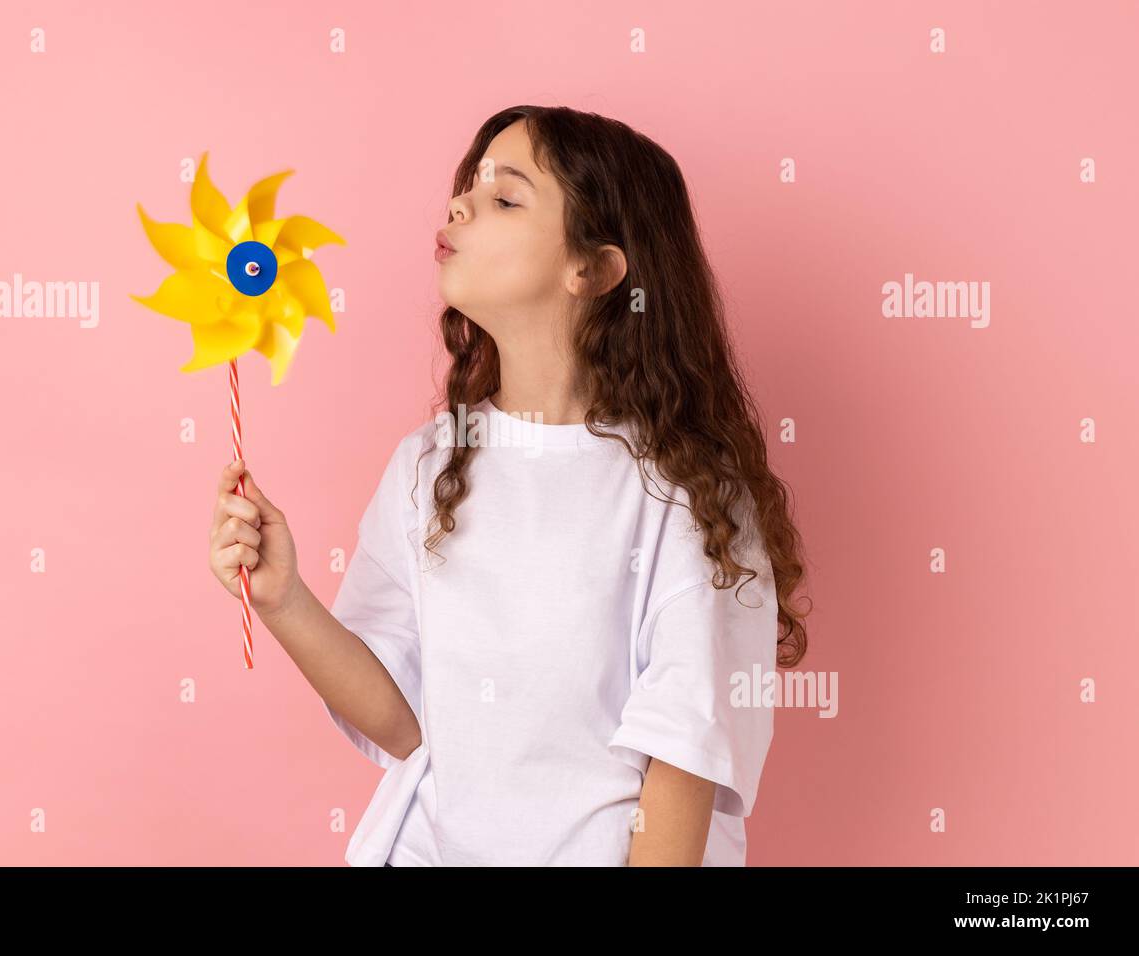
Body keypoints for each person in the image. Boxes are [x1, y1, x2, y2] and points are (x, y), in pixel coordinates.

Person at [208, 105, 811, 866]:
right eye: (469, 187)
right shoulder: (430, 465)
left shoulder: (689, 493)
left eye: (504, 197)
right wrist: (284, 598)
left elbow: (683, 756)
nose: (459, 203)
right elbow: (403, 724)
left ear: (591, 270)